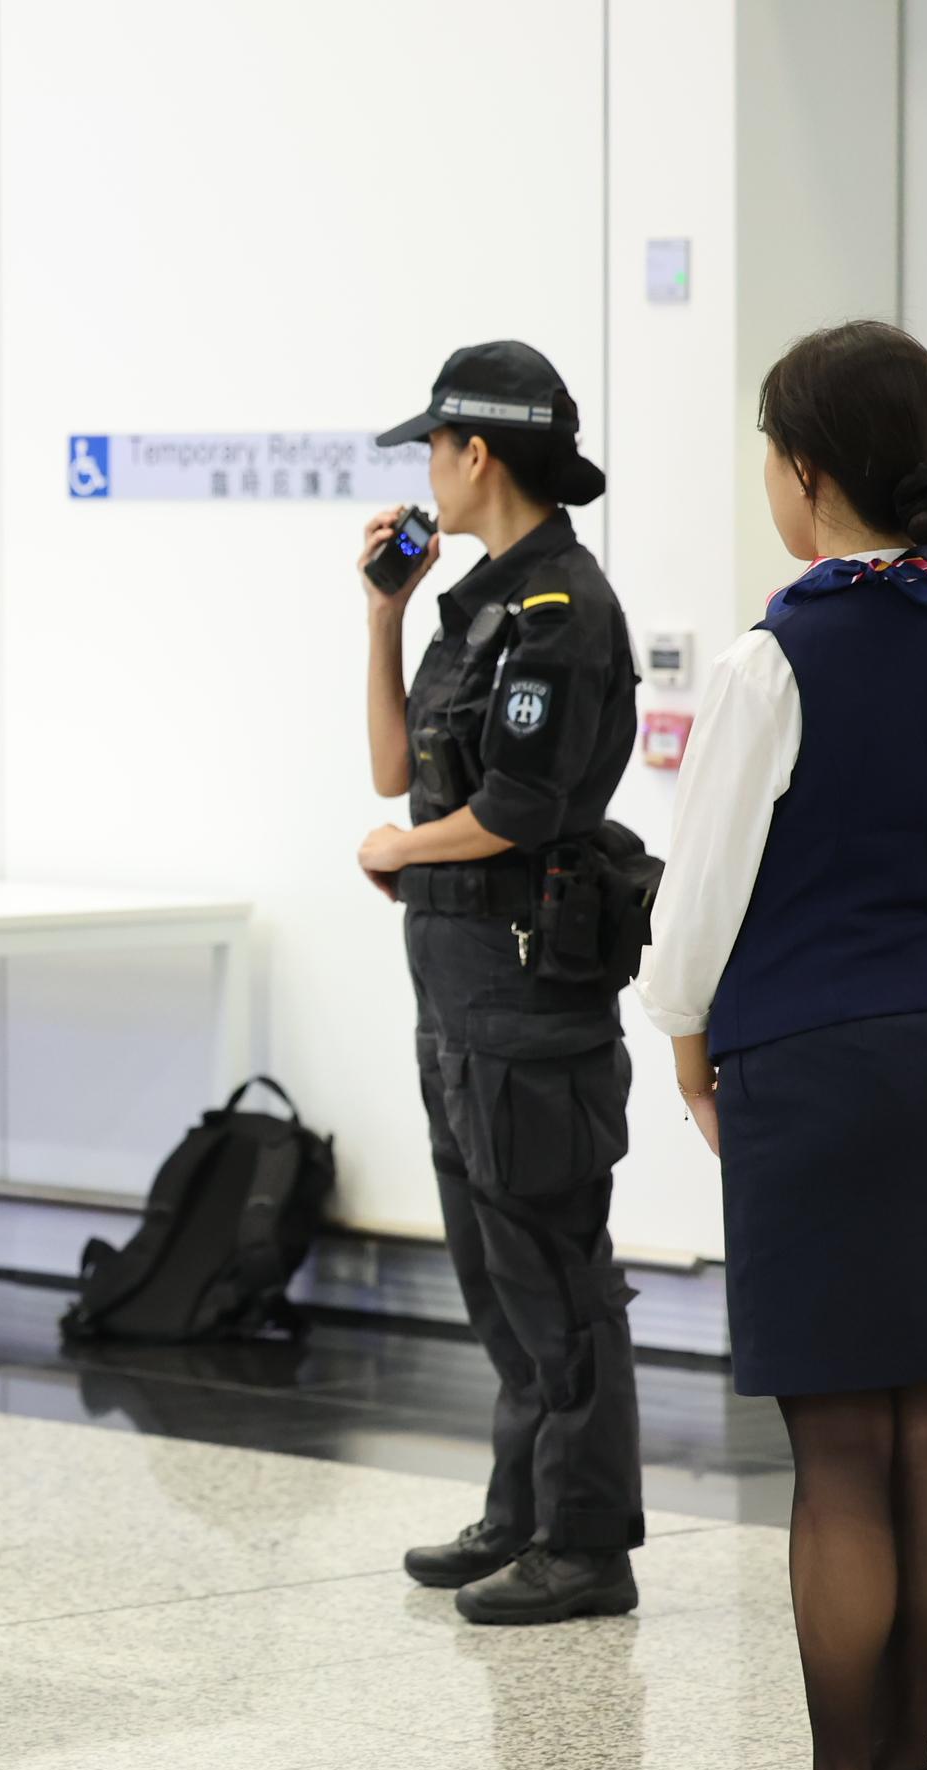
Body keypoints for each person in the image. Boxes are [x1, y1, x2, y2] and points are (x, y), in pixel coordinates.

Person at [642, 323, 927, 1770]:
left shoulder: (773, 656)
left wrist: (683, 1033)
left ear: (805, 474)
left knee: (838, 1449)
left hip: (809, 1060)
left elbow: (704, 887)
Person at [357, 342, 647, 1626]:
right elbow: (390, 771)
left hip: (532, 993)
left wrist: (406, 851)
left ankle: (587, 1543)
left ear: (477, 455)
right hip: (459, 984)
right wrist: (383, 613)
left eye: (434, 446)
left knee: (553, 1261)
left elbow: (520, 806)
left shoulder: (561, 612)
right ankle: (522, 1508)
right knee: (491, 1257)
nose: (426, 468)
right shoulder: (471, 605)